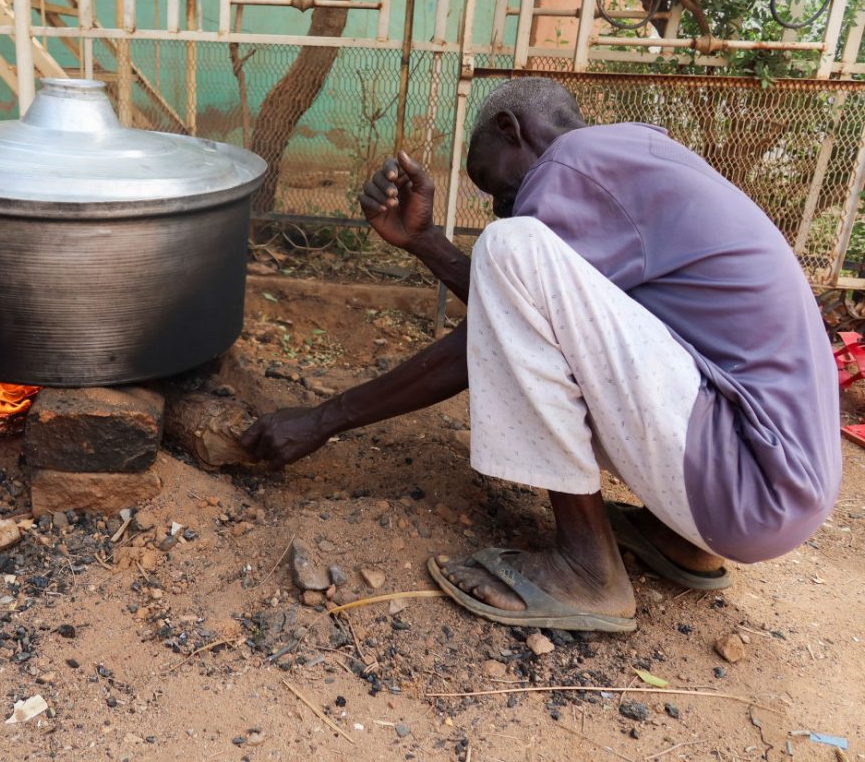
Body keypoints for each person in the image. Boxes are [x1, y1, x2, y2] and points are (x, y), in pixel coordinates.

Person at [239, 77, 842, 632]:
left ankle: (586, 571)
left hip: (745, 480)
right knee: (514, 251)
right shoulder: (633, 158)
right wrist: (425, 242)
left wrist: (322, 419)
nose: (501, 204)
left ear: (511, 129)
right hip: (765, 491)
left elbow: (490, 330)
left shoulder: (572, 165)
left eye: (495, 185)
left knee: (511, 245)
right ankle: (675, 540)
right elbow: (526, 322)